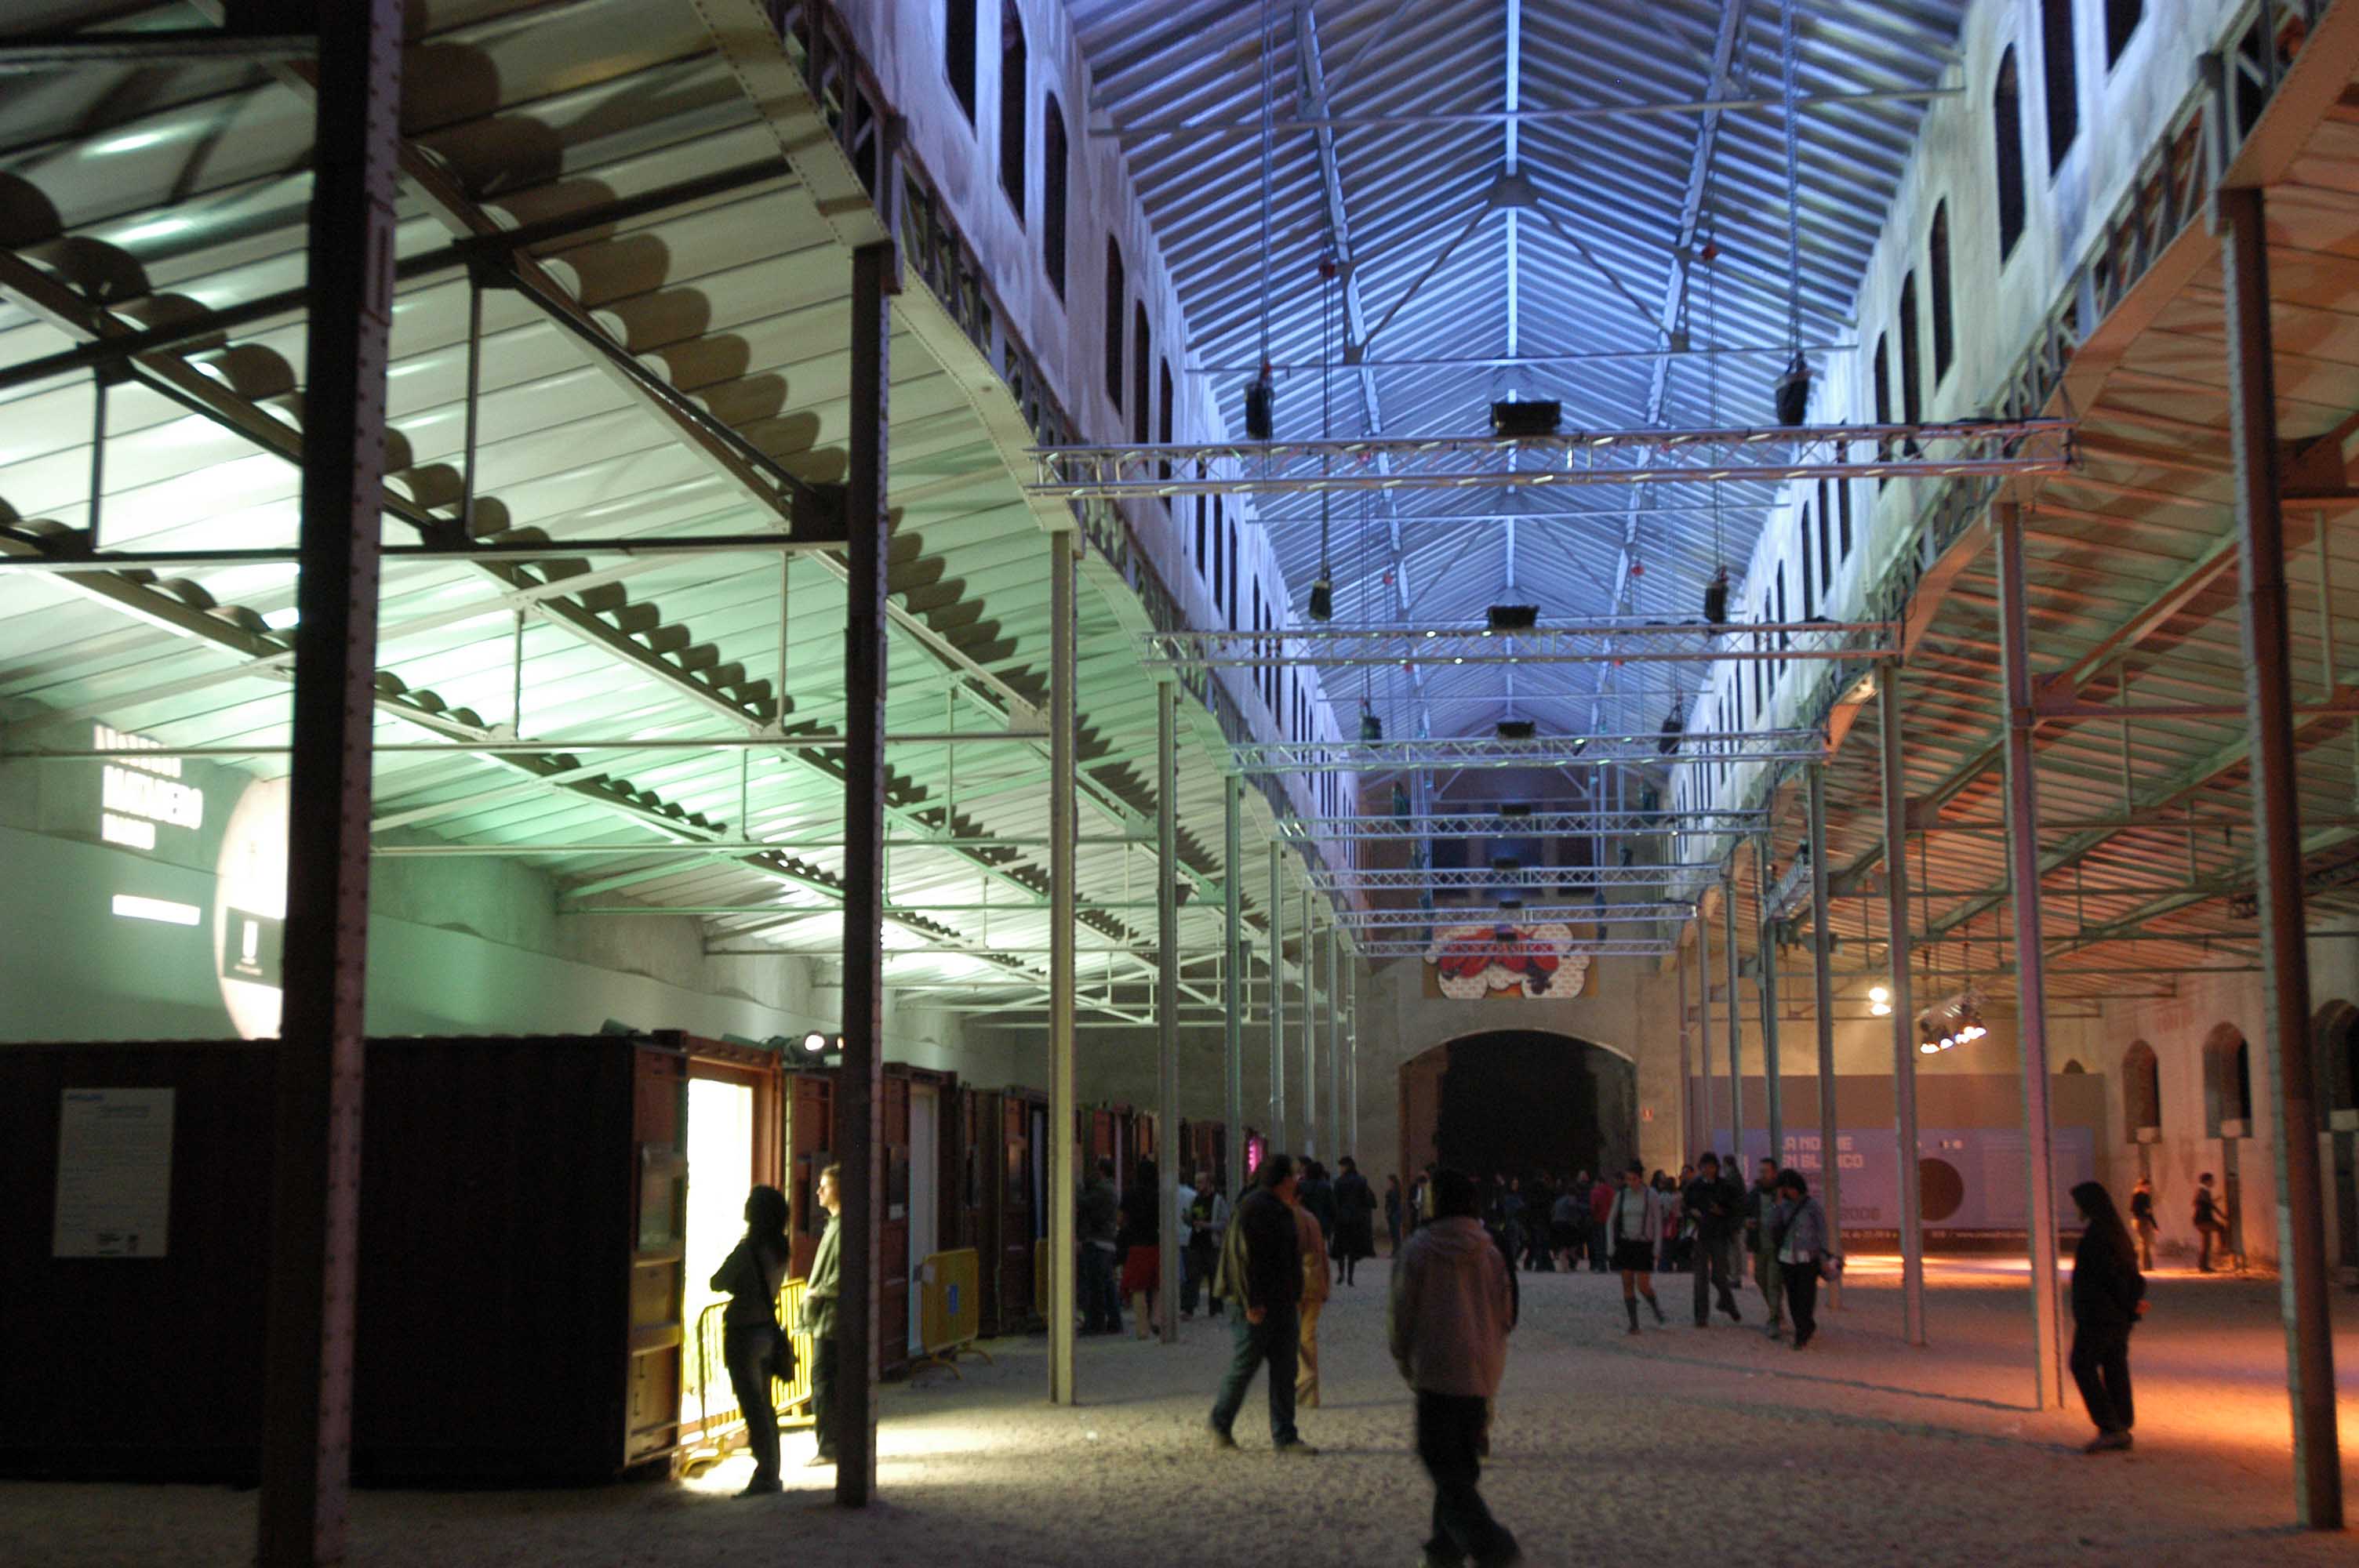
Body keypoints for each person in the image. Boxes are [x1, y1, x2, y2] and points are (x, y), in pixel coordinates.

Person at [1389, 1168, 1521, 1568]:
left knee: (1441, 1464)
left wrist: (1404, 1359)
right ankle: (1443, 1551)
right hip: (1480, 1372)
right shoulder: (1491, 1251)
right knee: (1459, 1465)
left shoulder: (1418, 1250)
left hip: (1435, 1369)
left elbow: (1401, 1314)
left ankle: (1491, 1544)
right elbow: (1506, 1313)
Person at [1209, 1153, 1314, 1454]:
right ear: (1283, 1180)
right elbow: (1245, 1260)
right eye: (1294, 1176)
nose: (1297, 1181)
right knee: (1245, 1366)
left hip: (1280, 1303)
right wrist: (1251, 1302)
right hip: (1256, 1305)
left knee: (1285, 1369)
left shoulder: (1278, 1208)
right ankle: (1220, 1425)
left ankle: (1285, 1435)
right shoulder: (1256, 1209)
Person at [711, 1185, 793, 1496]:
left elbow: (718, 1281)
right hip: (768, 1331)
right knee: (766, 1405)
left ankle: (766, 1473)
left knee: (752, 1404)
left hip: (743, 1331)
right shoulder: (780, 1248)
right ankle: (773, 1468)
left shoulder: (748, 1250)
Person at [2069, 1179, 2146, 1454]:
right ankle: (2121, 1423)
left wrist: (2125, 1304)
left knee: (2082, 1364)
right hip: (2114, 1316)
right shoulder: (2114, 1231)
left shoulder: (2099, 1235)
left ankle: (2111, 1427)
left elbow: (2111, 1277)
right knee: (2114, 1365)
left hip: (2099, 1315)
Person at [800, 1162, 843, 1467]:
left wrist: (817, 1292)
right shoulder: (835, 1225)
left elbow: (841, 1275)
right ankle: (832, 1443)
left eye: (825, 1185)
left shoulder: (840, 1228)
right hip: (827, 1318)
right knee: (828, 1383)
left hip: (830, 1320)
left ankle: (828, 1445)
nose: (818, 1191)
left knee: (823, 1383)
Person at [1682, 1154, 1744, 1327]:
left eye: (1711, 1166)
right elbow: (1685, 1206)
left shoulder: (1725, 1186)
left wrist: (1722, 1212)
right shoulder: (1693, 1186)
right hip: (1700, 1235)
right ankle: (1701, 1316)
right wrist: (1692, 1213)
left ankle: (1727, 1302)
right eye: (1704, 1166)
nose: (1708, 1170)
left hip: (1719, 1235)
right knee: (1700, 1278)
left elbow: (1735, 1208)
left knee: (1719, 1276)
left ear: (1716, 1168)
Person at [1770, 1168, 1828, 1350]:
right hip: (1788, 1257)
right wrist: (1777, 1204)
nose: (1787, 1192)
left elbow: (1822, 1232)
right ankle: (1802, 1327)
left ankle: (1803, 1331)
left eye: (1788, 1188)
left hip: (1808, 1257)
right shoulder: (1783, 1207)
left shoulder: (1812, 1206)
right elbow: (1772, 1226)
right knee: (1793, 1296)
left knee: (1806, 1295)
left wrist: (1824, 1255)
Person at [1606, 1162, 1667, 1334]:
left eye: (1634, 1179)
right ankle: (1634, 1323)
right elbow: (1611, 1221)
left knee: (1643, 1285)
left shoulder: (1651, 1195)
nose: (1630, 1183)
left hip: (1643, 1244)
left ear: (1640, 1179)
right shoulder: (1622, 1195)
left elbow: (1658, 1223)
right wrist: (1610, 1245)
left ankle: (1655, 1307)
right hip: (1626, 1243)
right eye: (1628, 1179)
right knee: (1627, 1283)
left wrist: (1657, 1248)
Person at [1292, 1168, 1333, 1408]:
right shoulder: (1312, 1219)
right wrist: (1326, 1283)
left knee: (1295, 1339)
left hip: (1296, 1285)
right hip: (1315, 1283)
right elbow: (1322, 1254)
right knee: (1308, 1337)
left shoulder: (1289, 1217)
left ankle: (1303, 1387)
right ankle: (1310, 1395)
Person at [1118, 1157, 1163, 1339]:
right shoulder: (1159, 1193)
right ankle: (1157, 1319)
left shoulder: (1129, 1194)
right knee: (1157, 1286)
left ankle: (1142, 1329)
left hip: (1136, 1245)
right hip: (1156, 1242)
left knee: (1139, 1288)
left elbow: (1120, 1219)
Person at [1078, 1158, 1122, 1334]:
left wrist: (1074, 1185)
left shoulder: (1102, 1189)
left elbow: (1083, 1203)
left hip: (1097, 1241)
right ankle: (1114, 1322)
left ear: (1101, 1171)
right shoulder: (1112, 1188)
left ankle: (1095, 1324)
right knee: (1108, 1285)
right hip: (1107, 1241)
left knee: (1094, 1285)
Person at [1745, 1156, 1786, 1341]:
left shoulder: (1782, 1195)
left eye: (1765, 1171)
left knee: (1773, 1283)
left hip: (1777, 1247)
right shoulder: (1754, 1194)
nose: (1762, 1175)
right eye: (1760, 1171)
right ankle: (1775, 1310)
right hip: (1759, 1246)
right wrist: (1748, 1222)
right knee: (1761, 1278)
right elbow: (1744, 1214)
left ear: (1774, 1173)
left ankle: (1774, 1319)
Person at [1183, 1170, 1227, 1320]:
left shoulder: (1218, 1201)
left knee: (1214, 1277)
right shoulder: (1195, 1199)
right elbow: (1191, 1217)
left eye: (1200, 1182)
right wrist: (1188, 1219)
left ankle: (1215, 1308)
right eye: (1196, 1182)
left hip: (1211, 1244)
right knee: (1193, 1277)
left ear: (1209, 1183)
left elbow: (1224, 1223)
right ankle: (1189, 1309)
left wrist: (1207, 1225)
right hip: (1196, 1242)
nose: (1197, 1185)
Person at [1332, 1155, 1378, 1286]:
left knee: (1341, 1249)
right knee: (1352, 1250)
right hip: (1356, 1219)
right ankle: (1350, 1278)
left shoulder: (1339, 1182)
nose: (1340, 1169)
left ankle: (1341, 1274)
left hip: (1342, 1219)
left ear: (1346, 1166)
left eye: (1341, 1166)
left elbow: (1336, 1201)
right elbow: (1365, 1199)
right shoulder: (1361, 1180)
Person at [1550, 1179, 1585, 1271]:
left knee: (1562, 1246)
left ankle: (1565, 1266)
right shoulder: (1572, 1198)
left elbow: (1552, 1211)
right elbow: (1573, 1207)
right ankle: (1568, 1265)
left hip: (1555, 1223)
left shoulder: (1559, 1200)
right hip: (1566, 1224)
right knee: (1569, 1246)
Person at [2192, 1173, 2223, 1272]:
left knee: (2206, 1244)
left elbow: (2205, 1204)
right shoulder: (2203, 1191)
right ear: (2206, 1181)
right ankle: (2224, 1248)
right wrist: (2222, 1215)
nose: (2213, 1182)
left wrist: (2212, 1202)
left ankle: (2203, 1266)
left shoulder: (2202, 1191)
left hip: (2200, 1220)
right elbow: (2207, 1205)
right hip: (2203, 1220)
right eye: (2212, 1180)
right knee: (2221, 1228)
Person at [1588, 1167, 1615, 1272]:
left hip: (1598, 1220)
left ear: (1597, 1182)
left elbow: (1593, 1207)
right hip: (1609, 1220)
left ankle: (1601, 1266)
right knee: (1609, 1242)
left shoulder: (1595, 1192)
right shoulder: (1611, 1191)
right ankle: (1613, 1265)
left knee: (1599, 1244)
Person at [2128, 1175, 2157, 1271]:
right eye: (2146, 1187)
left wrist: (2155, 1225)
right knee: (2144, 1243)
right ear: (2141, 1186)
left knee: (2146, 1243)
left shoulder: (2147, 1196)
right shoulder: (2137, 1195)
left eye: (2149, 1187)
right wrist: (2143, 1211)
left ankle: (2148, 1266)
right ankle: (2145, 1266)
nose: (2148, 1189)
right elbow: (2132, 1209)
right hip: (2139, 1220)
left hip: (2145, 1220)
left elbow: (2149, 1212)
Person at [1385, 1173, 1406, 1255]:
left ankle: (1397, 1250)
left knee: (1395, 1233)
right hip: (1394, 1213)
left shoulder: (1394, 1190)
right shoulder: (1395, 1190)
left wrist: (1389, 1211)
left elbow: (1393, 1203)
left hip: (1394, 1213)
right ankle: (1396, 1249)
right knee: (1394, 1233)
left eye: (1389, 1181)